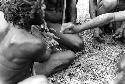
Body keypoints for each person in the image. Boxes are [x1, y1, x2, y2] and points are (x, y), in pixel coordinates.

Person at [0, 0, 75, 84]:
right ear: (31, 15)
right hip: (13, 81)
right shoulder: (35, 43)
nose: (44, 8)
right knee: (42, 80)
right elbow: (46, 56)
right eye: (41, 7)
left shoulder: (8, 25)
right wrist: (44, 37)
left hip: (5, 74)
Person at [60, 0, 125, 43]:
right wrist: (79, 28)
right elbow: (111, 17)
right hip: (115, 9)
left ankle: (112, 25)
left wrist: (122, 27)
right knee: (108, 4)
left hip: (121, 7)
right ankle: (103, 27)